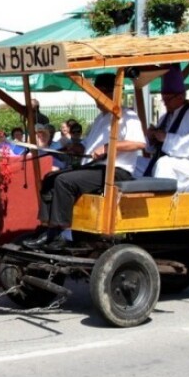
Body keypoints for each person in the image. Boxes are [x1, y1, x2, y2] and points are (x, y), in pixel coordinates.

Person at [25, 74, 146, 249]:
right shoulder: (100, 118)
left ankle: (61, 233)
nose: (96, 101)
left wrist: (108, 148)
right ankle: (46, 227)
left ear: (111, 93)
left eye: (100, 95)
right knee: (50, 178)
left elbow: (139, 143)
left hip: (117, 171)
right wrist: (78, 148)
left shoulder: (128, 115)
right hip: (96, 168)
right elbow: (90, 147)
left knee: (64, 181)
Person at [146, 65, 189, 191]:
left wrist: (166, 138)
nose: (165, 102)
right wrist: (151, 137)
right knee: (134, 164)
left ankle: (162, 205)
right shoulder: (165, 117)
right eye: (163, 99)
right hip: (171, 161)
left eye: (168, 99)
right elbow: (152, 149)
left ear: (181, 96)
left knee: (164, 164)